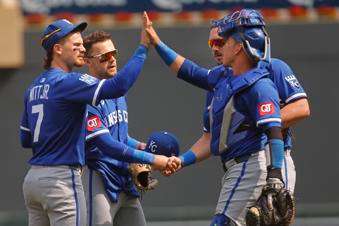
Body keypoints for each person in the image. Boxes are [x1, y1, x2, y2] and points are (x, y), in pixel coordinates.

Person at [145, 9, 309, 225]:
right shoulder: (221, 78)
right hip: (237, 164)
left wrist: (261, 123)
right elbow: (190, 73)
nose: (215, 48)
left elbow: (301, 108)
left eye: (220, 41)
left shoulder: (270, 69)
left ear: (240, 43)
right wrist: (156, 42)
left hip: (266, 156)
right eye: (211, 43)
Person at [19, 14, 171, 226]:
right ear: (58, 49)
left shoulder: (33, 87)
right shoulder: (69, 82)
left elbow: (26, 139)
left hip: (33, 180)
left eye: (82, 44)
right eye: (76, 44)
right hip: (62, 179)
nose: (82, 48)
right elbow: (118, 86)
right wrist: (143, 47)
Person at [82, 30, 153, 226]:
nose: (112, 59)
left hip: (124, 177)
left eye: (114, 53)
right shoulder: (86, 95)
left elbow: (118, 136)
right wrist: (151, 159)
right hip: (99, 176)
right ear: (88, 61)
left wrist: (139, 146)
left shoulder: (117, 93)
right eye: (104, 56)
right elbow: (105, 144)